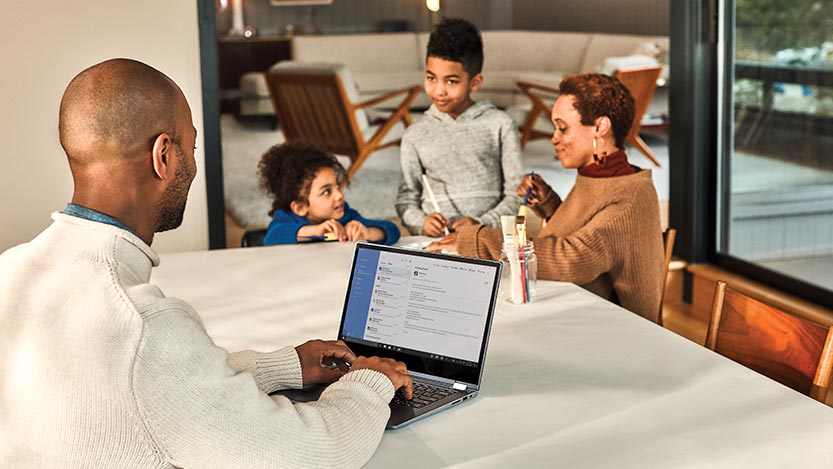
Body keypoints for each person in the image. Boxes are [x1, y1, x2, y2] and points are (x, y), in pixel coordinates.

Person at [0, 58, 412, 468]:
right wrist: (370, 381)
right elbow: (311, 454)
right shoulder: (146, 326)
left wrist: (285, 366)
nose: (194, 165)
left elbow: (156, 389)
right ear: (164, 155)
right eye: (191, 146)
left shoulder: (11, 270)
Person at [427, 73, 665, 322]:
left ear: (599, 127)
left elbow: (575, 259)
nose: (554, 138)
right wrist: (549, 203)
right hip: (584, 313)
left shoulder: (628, 196)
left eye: (563, 128)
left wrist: (478, 240)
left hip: (623, 332)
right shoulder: (600, 175)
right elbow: (598, 238)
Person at [396, 17, 524, 236]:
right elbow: (406, 198)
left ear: (475, 82)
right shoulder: (414, 135)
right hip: (436, 243)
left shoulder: (500, 125)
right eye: (431, 78)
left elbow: (517, 194)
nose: (439, 90)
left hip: (486, 240)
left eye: (451, 81)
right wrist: (421, 222)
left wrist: (482, 225)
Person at [259, 142, 401, 246]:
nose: (339, 195)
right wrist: (316, 231)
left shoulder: (345, 216)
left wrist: (368, 233)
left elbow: (392, 230)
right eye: (327, 191)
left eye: (337, 186)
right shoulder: (286, 219)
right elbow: (272, 238)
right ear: (300, 208)